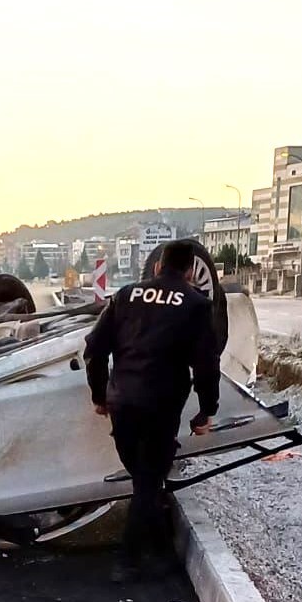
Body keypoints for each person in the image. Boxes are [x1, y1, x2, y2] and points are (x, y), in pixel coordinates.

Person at [84, 240, 220, 582]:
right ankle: (127, 561)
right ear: (190, 271)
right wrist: (207, 409)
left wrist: (100, 394)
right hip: (160, 406)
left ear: (158, 266)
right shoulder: (196, 304)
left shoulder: (126, 295)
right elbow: (206, 364)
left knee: (146, 476)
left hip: (123, 403)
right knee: (147, 481)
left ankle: (161, 551)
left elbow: (94, 349)